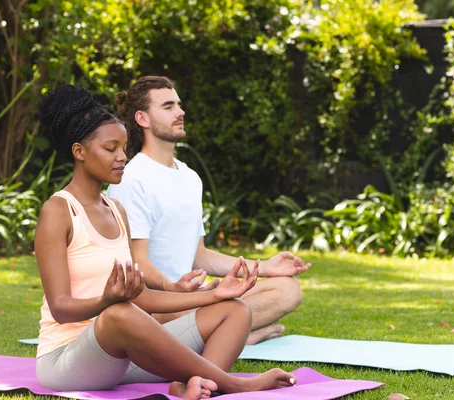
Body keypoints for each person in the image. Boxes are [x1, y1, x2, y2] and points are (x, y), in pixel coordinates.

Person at [33, 84, 297, 399]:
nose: (121, 157)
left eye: (124, 148)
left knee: (235, 310)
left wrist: (214, 295)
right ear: (79, 152)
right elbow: (61, 308)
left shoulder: (116, 211)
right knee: (120, 312)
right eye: (110, 149)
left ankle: (197, 385)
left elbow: (142, 296)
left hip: (121, 357)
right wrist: (108, 300)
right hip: (67, 361)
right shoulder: (58, 210)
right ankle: (235, 384)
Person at [107, 76, 311, 345]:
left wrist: (265, 268)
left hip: (193, 299)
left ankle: (220, 331)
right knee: (216, 308)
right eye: (168, 107)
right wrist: (173, 289)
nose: (180, 113)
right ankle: (233, 333)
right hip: (155, 306)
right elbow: (136, 262)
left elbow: (199, 255)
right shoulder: (132, 179)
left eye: (179, 105)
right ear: (143, 119)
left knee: (287, 289)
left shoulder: (190, 177)